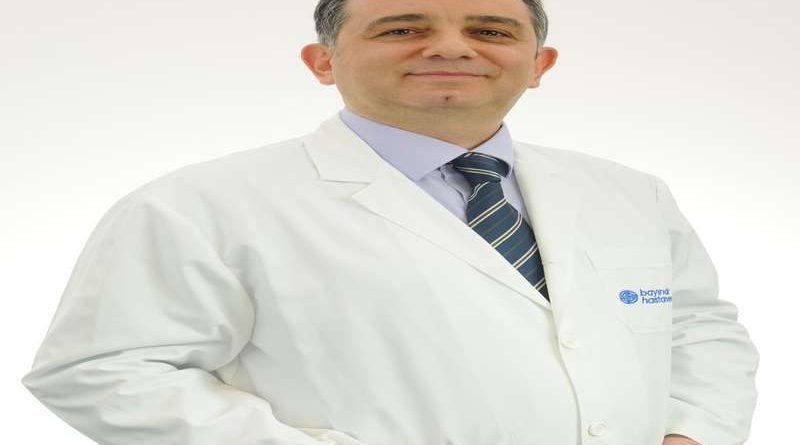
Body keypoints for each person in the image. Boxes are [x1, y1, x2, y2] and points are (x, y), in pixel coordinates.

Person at [22, 0, 759, 444]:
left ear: (540, 63)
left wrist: (694, 431)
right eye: (403, 27)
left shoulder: (630, 194)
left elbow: (698, 326)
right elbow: (96, 370)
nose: (452, 46)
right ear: (322, 61)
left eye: (492, 29)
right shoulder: (198, 206)